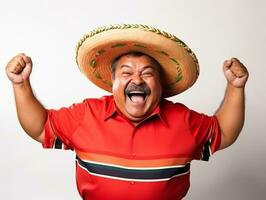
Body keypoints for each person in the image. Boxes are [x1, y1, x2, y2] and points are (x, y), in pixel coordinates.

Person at [5, 24, 249, 200]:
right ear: (112, 83)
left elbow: (224, 132)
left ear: (160, 85)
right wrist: (20, 84)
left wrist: (235, 87)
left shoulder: (183, 120)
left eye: (147, 73)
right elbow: (40, 127)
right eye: (126, 72)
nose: (137, 79)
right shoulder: (86, 114)